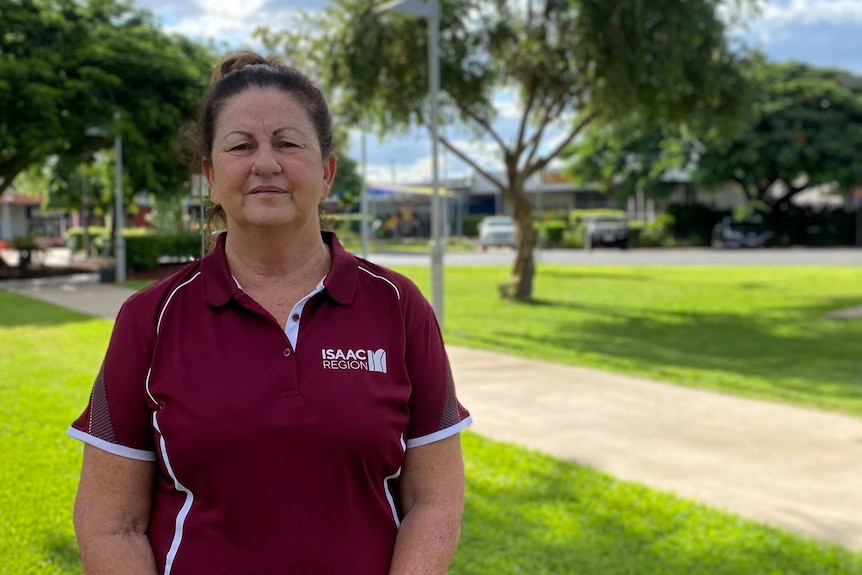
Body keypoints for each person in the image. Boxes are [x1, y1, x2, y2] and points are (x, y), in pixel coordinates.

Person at [68, 51, 472, 575]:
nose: (265, 163)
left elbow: (433, 500)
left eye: (287, 143)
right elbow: (109, 523)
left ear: (326, 172)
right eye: (241, 146)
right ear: (211, 177)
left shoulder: (397, 306)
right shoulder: (150, 317)